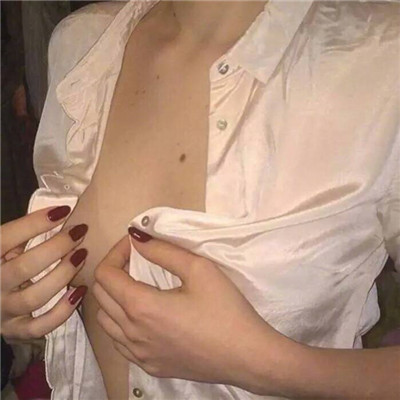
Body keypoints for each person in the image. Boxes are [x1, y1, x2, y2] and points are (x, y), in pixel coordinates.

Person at [3, 0, 399, 398]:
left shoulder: (383, 57)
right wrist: (23, 301)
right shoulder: (83, 43)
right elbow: (78, 336)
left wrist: (260, 362)